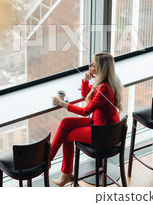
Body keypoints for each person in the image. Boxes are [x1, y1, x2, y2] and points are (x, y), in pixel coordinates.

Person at [50, 52, 123, 186]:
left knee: (67, 135)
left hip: (103, 133)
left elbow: (85, 111)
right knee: (66, 123)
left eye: (93, 65)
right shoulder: (106, 81)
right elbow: (86, 94)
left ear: (100, 68)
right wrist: (85, 80)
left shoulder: (104, 89)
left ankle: (61, 170)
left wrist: (62, 104)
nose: (89, 66)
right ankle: (51, 162)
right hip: (103, 124)